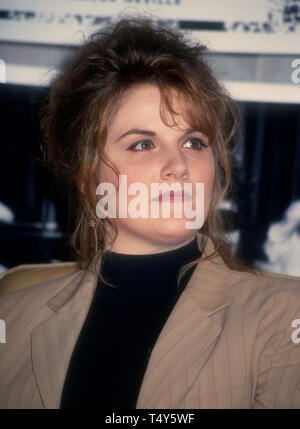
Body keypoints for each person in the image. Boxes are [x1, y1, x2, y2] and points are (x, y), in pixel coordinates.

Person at [0, 17, 300, 410]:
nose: (178, 165)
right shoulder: (12, 317)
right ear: (88, 178)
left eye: (194, 141)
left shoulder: (283, 314)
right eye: (143, 144)